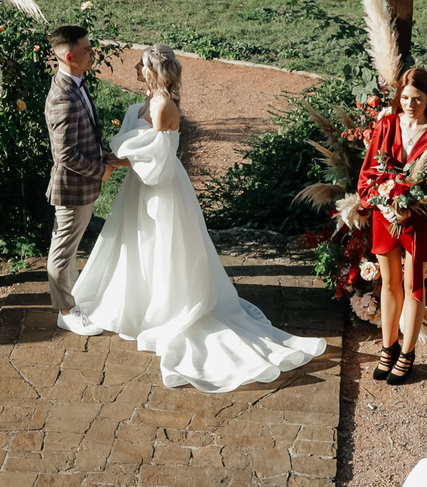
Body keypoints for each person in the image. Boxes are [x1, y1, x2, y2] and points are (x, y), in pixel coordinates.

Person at [68, 42, 326, 393]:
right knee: (139, 244)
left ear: (155, 71)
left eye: (142, 65)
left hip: (160, 189)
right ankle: (139, 303)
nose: (137, 69)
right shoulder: (148, 101)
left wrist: (116, 161)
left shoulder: (164, 107)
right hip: (138, 188)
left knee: (165, 247)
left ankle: (168, 311)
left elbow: (156, 165)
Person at [359, 65, 427, 386]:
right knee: (389, 284)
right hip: (385, 215)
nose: (410, 104)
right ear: (400, 95)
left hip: (419, 219)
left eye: (418, 98)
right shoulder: (386, 125)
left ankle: (407, 355)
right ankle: (388, 347)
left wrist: (412, 208)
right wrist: (387, 203)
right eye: (406, 97)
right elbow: (368, 174)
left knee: (414, 285)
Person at [44, 22, 124, 335]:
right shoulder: (63, 97)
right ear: (68, 57)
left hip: (81, 186)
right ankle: (65, 310)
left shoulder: (77, 83)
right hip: (72, 190)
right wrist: (100, 170)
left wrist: (105, 156)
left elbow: (87, 135)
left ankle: (71, 301)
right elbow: (64, 155)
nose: (93, 53)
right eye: (87, 50)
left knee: (68, 248)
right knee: (62, 253)